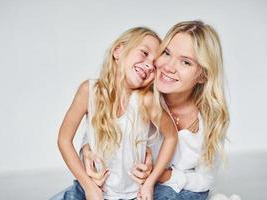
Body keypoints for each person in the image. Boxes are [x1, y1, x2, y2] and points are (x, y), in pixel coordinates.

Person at [82, 20, 229, 200]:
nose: (168, 67)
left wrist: (162, 175)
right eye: (166, 53)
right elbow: (101, 122)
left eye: (185, 62)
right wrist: (86, 149)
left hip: (177, 190)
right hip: (129, 189)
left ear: (203, 75)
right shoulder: (141, 93)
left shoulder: (209, 119)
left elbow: (204, 180)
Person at [55, 27, 177, 200]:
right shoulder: (89, 91)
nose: (150, 65)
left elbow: (171, 136)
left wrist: (150, 182)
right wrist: (88, 187)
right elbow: (64, 140)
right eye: (144, 53)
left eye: (155, 65)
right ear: (118, 50)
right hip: (91, 189)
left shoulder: (145, 101)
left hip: (134, 195)